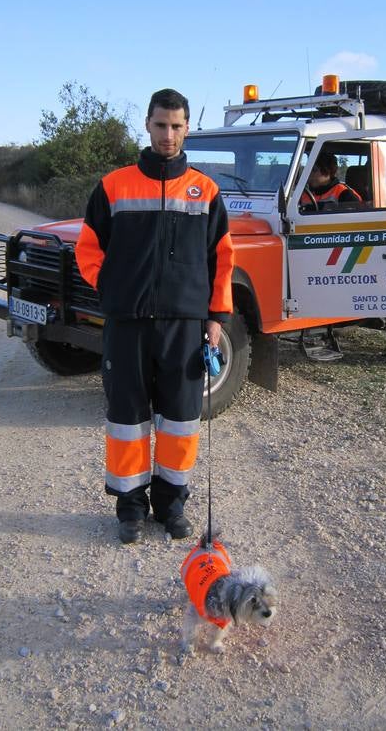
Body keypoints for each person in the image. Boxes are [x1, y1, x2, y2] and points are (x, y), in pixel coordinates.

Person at [75, 88, 234, 544]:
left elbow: (222, 259)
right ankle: (130, 507)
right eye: (161, 125)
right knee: (127, 417)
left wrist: (216, 315)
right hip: (127, 322)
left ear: (187, 129)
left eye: (177, 126)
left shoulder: (206, 191)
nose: (168, 134)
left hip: (185, 325)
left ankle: (171, 504)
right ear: (147, 125)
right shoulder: (113, 185)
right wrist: (111, 288)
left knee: (181, 418)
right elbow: (88, 249)